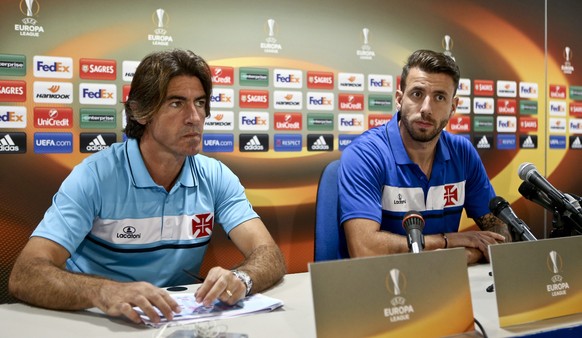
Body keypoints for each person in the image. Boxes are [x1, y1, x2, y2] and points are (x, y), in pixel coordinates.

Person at [9, 49, 286, 324]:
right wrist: (105, 291)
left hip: (175, 321)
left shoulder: (215, 176)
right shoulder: (94, 175)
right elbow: (26, 274)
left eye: (200, 103)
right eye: (176, 104)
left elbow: (268, 254)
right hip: (98, 321)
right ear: (142, 113)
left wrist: (242, 278)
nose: (194, 117)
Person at [338, 49, 511, 264]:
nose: (426, 108)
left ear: (453, 107)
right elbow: (365, 249)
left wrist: (466, 255)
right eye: (417, 94)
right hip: (383, 284)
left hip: (446, 283)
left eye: (439, 97)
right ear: (400, 99)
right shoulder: (366, 155)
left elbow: (500, 233)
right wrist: (446, 241)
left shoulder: (463, 154)